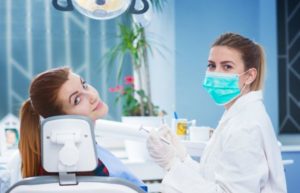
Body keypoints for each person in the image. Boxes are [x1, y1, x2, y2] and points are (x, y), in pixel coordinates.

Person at [147, 33, 287, 193]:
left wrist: (171, 164)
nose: (216, 73)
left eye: (227, 66)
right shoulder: (237, 116)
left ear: (249, 76)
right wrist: (182, 158)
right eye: (211, 65)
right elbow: (211, 179)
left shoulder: (246, 127)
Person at [19, 67, 147, 192]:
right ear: (61, 120)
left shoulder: (89, 148)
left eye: (84, 85)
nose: (91, 96)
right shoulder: (83, 165)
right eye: (77, 100)